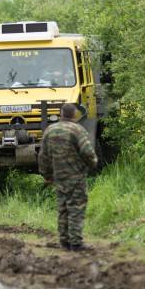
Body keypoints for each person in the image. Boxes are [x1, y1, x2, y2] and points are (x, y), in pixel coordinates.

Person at [38, 103, 98, 251]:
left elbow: (42, 156)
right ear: (75, 115)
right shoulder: (77, 130)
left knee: (63, 208)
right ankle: (76, 243)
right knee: (76, 208)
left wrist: (47, 176)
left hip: (59, 177)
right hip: (76, 177)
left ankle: (64, 241)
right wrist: (93, 164)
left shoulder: (50, 130)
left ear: (61, 114)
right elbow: (87, 152)